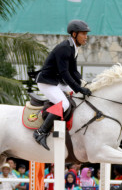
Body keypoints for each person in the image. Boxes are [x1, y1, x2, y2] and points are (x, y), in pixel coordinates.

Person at [33, 19, 92, 150]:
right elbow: (65, 73)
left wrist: (84, 84)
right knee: (64, 104)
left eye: (86, 34)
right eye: (83, 33)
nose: (86, 37)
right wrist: (79, 89)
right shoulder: (65, 48)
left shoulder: (73, 48)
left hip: (56, 82)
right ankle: (40, 132)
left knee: (73, 94)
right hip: (47, 82)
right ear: (74, 34)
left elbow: (74, 71)